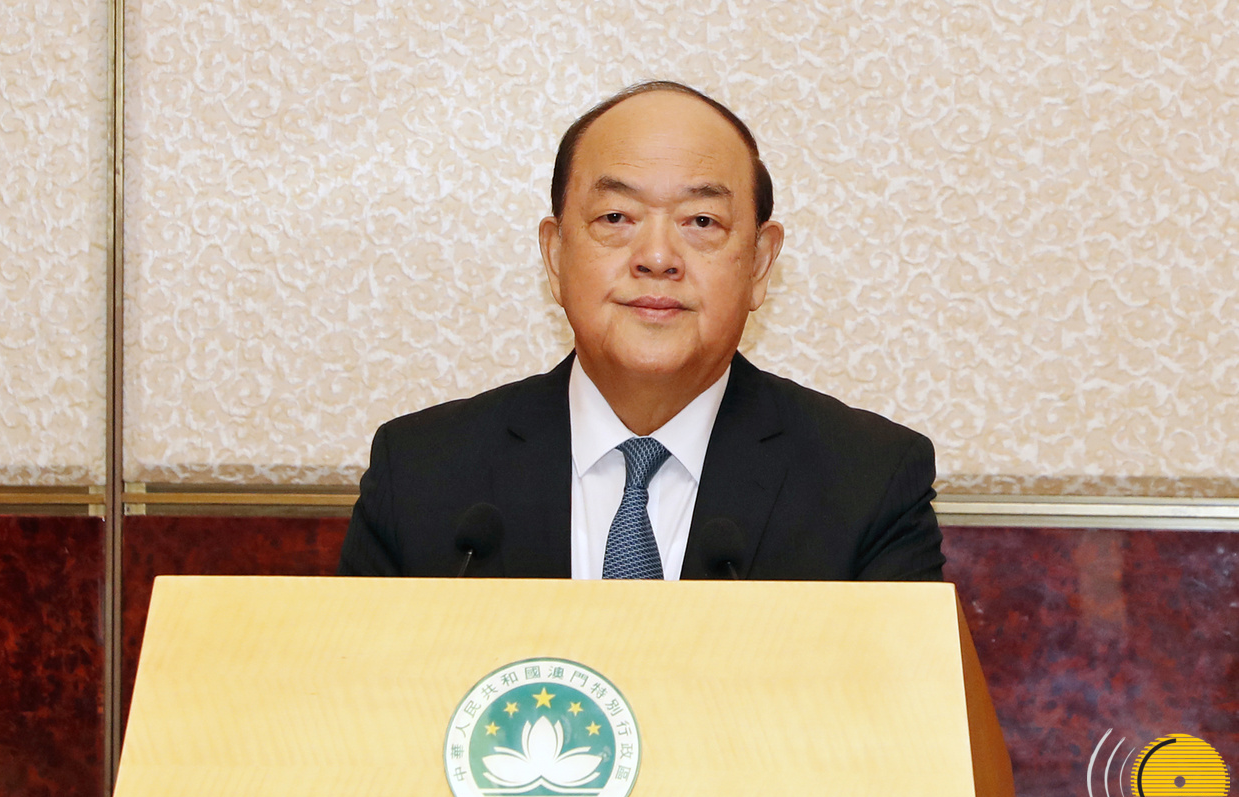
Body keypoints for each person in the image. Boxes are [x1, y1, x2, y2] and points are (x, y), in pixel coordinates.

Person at [339, 81, 944, 582]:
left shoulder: (869, 485)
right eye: (616, 217)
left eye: (701, 220)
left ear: (760, 264)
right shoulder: (420, 476)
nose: (657, 257)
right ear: (555, 256)